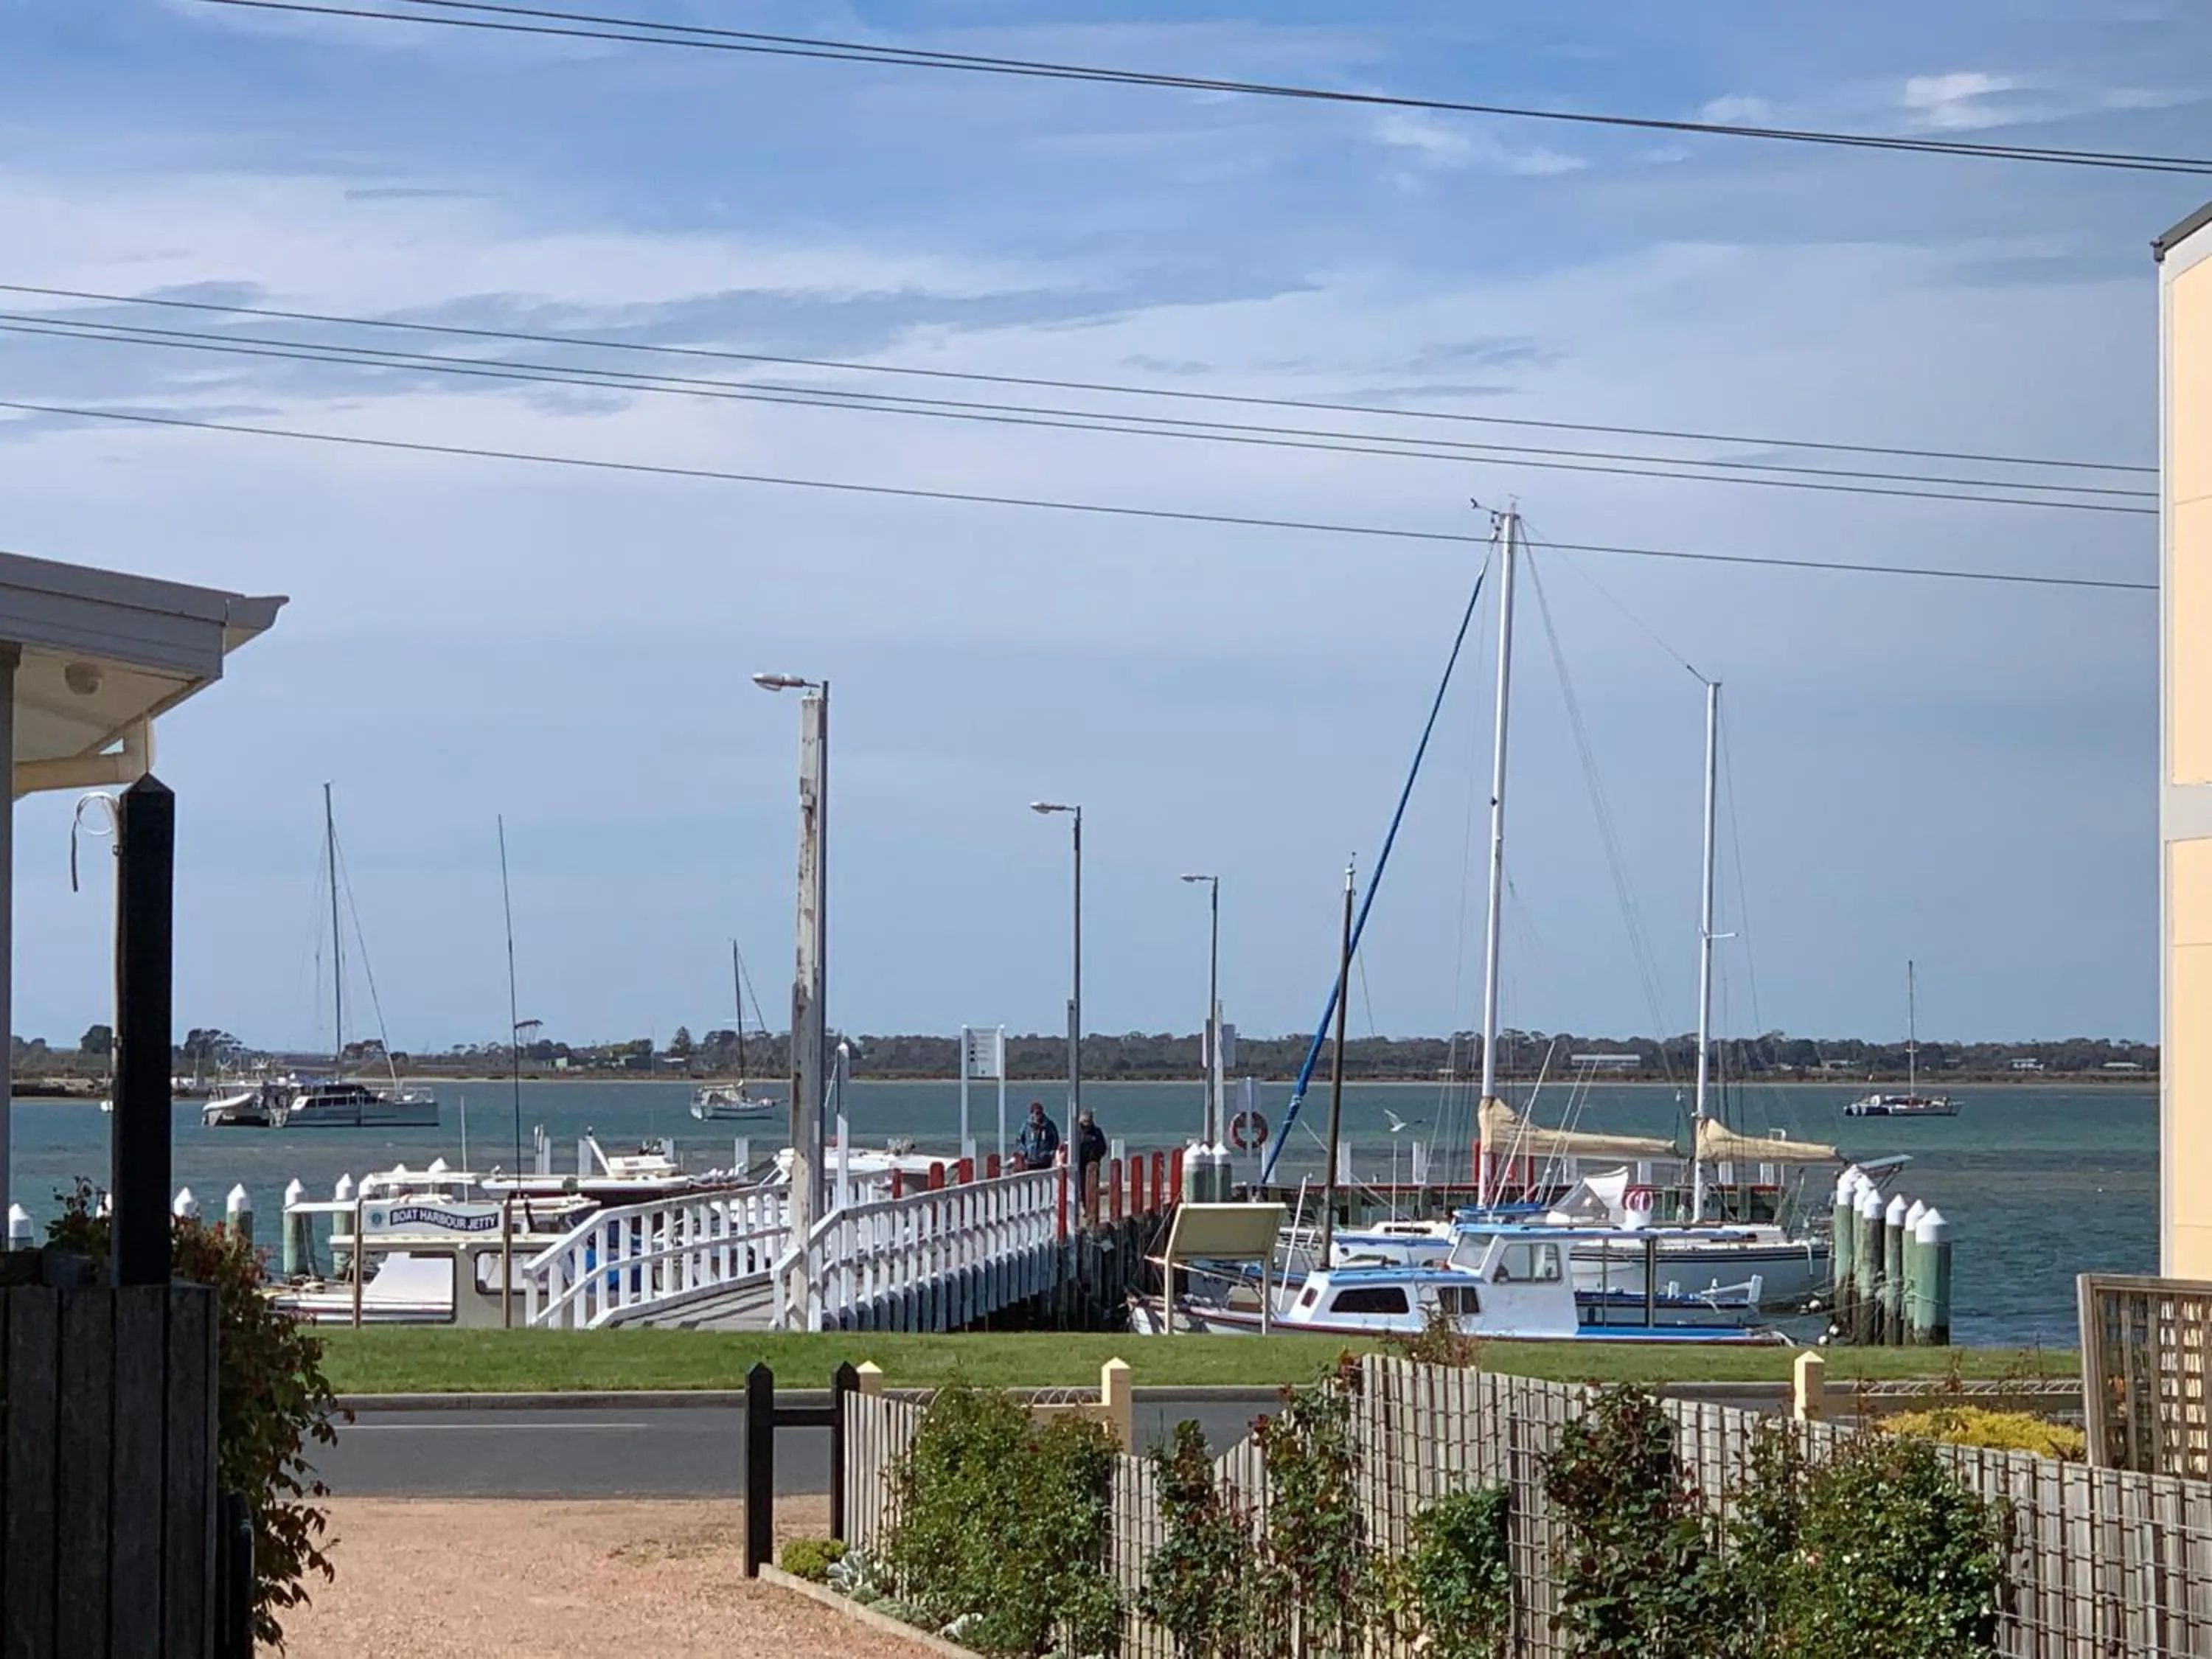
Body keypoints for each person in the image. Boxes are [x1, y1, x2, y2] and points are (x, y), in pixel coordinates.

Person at [1074, 1107, 1108, 1225]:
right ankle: (1086, 1207)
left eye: (1088, 1122)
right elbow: (1073, 1147)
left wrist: (1096, 1156)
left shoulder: (1097, 1132)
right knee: (1083, 1188)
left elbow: (1103, 1147)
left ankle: (1092, 1209)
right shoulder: (1077, 1132)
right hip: (1081, 1164)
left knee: (1093, 1188)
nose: (1086, 1125)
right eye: (1084, 1122)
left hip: (1093, 1164)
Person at [1013, 1101, 1060, 1171]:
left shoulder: (1049, 1125)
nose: (1039, 1115)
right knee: (1030, 1179)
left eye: (1041, 1113)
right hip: (1030, 1161)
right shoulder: (1026, 1126)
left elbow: (1055, 1140)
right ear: (1032, 1114)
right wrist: (1024, 1153)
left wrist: (1051, 1153)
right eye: (1037, 1113)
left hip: (1045, 1161)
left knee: (1045, 1180)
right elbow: (1019, 1141)